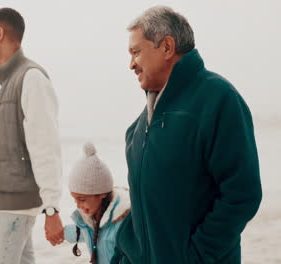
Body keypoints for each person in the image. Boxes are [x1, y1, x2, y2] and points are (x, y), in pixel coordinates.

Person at [112, 6, 263, 264]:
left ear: (168, 47)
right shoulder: (136, 130)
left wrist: (196, 256)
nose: (131, 65)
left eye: (136, 52)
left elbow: (242, 194)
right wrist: (121, 256)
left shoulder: (218, 100)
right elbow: (140, 210)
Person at [0, 7, 63, 264]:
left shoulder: (32, 77)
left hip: (14, 206)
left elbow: (45, 145)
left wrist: (52, 208)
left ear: (0, 33)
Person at [63, 143, 130, 264]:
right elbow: (85, 232)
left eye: (82, 199)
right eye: (75, 200)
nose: (78, 206)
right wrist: (61, 233)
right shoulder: (90, 219)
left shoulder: (123, 223)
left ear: (102, 193)